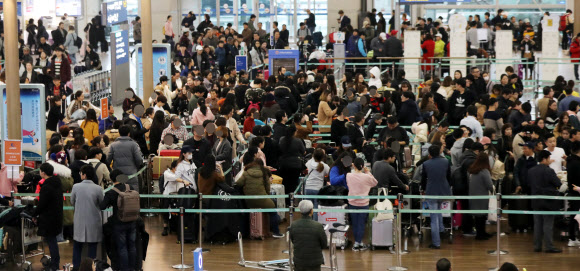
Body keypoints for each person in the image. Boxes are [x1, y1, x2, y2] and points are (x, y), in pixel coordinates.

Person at [236, 149, 284, 238]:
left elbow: (238, 183)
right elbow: (267, 187)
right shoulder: (264, 173)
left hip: (249, 201)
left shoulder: (246, 173)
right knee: (273, 211)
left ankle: (247, 232)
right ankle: (276, 232)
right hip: (262, 199)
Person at [100, 170, 138, 271]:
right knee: (132, 246)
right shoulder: (131, 188)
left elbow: (102, 206)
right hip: (133, 220)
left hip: (119, 223)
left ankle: (124, 269)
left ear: (112, 179)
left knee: (122, 247)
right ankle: (132, 268)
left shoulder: (111, 192)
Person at [529, 150, 562, 253]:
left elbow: (528, 184)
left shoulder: (531, 171)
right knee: (548, 225)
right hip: (548, 201)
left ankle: (537, 246)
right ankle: (549, 246)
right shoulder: (549, 171)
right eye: (548, 158)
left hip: (535, 200)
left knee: (537, 224)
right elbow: (558, 183)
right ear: (544, 159)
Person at [71, 165, 103, 270]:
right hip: (93, 220)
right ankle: (91, 267)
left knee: (77, 245)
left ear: (84, 175)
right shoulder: (98, 188)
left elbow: (72, 202)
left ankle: (76, 267)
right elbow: (101, 203)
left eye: (81, 173)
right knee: (92, 246)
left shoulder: (76, 187)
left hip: (79, 219)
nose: (80, 175)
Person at [422, 145, 452, 249]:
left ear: (429, 154)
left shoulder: (426, 164)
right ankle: (441, 230)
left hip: (431, 191)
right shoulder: (446, 162)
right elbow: (449, 176)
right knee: (439, 211)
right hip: (444, 190)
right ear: (439, 152)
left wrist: (422, 189)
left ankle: (436, 242)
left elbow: (423, 179)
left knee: (433, 217)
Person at [35, 163, 63, 271]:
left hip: (48, 218)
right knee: (53, 240)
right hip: (57, 216)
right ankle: (55, 262)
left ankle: (55, 265)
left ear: (43, 172)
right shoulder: (57, 183)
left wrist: (34, 213)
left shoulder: (46, 186)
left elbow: (42, 204)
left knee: (51, 241)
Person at [346, 157, 378, 251]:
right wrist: (367, 172)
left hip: (352, 202)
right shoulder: (367, 177)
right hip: (363, 204)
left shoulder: (349, 175)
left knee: (355, 223)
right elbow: (375, 183)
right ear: (363, 166)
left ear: (353, 165)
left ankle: (358, 242)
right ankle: (357, 243)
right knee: (361, 224)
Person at [289, 200, 327, 271]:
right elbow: (324, 244)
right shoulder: (318, 226)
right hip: (314, 262)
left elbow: (293, 240)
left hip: (299, 261)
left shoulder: (294, 225)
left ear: (300, 211)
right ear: (311, 211)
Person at [107, 125, 143, 190]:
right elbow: (139, 159)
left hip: (118, 175)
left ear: (119, 133)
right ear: (129, 133)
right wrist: (137, 168)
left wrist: (111, 170)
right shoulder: (134, 144)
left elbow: (108, 160)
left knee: (119, 192)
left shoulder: (113, 145)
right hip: (131, 174)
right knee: (132, 194)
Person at [468, 152, 494, 240]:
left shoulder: (473, 170)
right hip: (482, 196)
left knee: (478, 216)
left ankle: (481, 233)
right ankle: (480, 235)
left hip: (473, 196)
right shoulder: (484, 171)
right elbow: (489, 185)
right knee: (482, 216)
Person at [304, 149, 330, 221]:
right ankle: (315, 224)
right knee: (316, 209)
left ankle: (307, 223)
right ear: (322, 157)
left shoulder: (309, 163)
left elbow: (306, 168)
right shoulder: (325, 166)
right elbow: (327, 173)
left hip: (308, 187)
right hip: (318, 189)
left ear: (313, 155)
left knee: (308, 208)